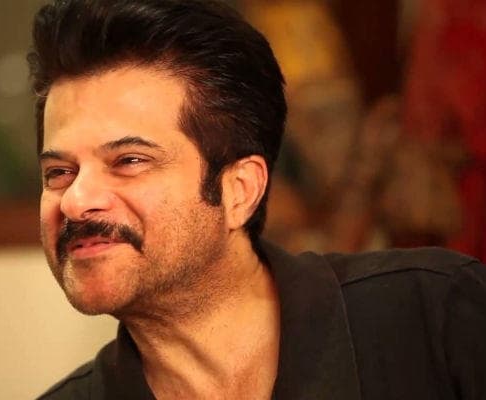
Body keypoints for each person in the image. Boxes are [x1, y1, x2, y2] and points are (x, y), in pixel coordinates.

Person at [28, 1, 486, 399]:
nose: (75, 201)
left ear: (240, 190)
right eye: (59, 173)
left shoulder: (436, 316)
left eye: (128, 161)